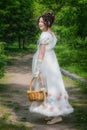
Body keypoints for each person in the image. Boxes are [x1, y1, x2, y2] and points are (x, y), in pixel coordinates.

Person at [29, 12, 74, 124]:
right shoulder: (51, 34)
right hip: (52, 62)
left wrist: (37, 69)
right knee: (53, 86)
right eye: (39, 21)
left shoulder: (44, 35)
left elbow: (42, 53)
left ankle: (57, 115)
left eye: (42, 21)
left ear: (48, 22)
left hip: (46, 63)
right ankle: (53, 112)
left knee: (47, 86)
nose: (39, 23)